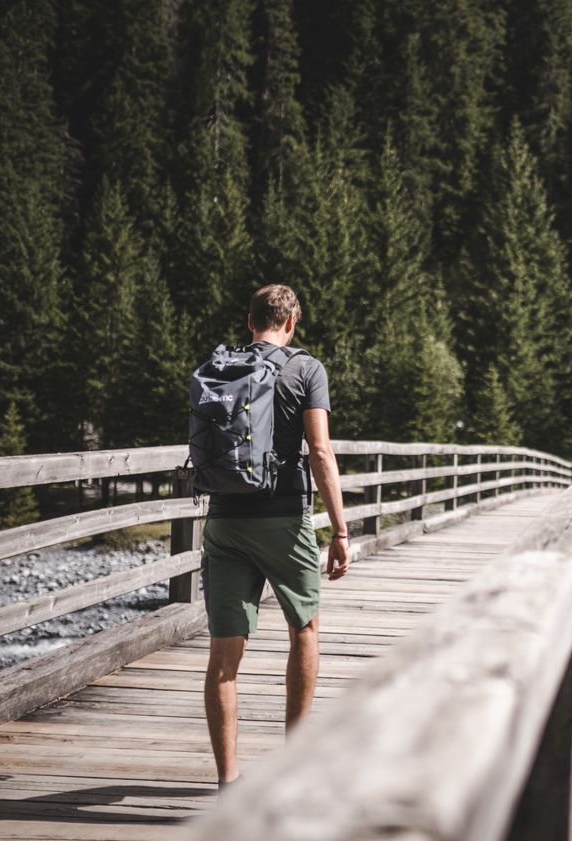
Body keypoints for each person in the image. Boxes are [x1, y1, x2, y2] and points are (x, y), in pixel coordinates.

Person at [200, 284, 350, 788]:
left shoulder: (221, 367)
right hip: (284, 518)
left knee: (224, 653)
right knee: (303, 629)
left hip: (223, 519)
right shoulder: (306, 369)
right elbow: (321, 453)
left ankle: (228, 780)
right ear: (292, 322)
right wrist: (340, 530)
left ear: (250, 321)